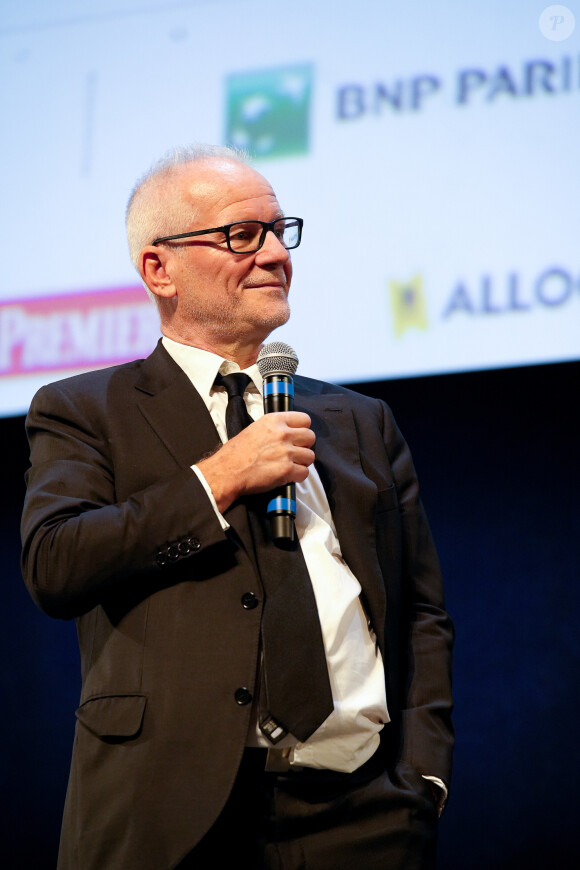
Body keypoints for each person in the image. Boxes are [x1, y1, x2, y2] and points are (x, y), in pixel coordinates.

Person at [21, 144, 453, 870]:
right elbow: (56, 565)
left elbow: (419, 612)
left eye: (281, 231)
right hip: (169, 814)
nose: (276, 255)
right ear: (159, 269)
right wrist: (216, 478)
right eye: (241, 235)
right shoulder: (85, 409)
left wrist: (423, 778)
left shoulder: (359, 421)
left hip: (364, 814)